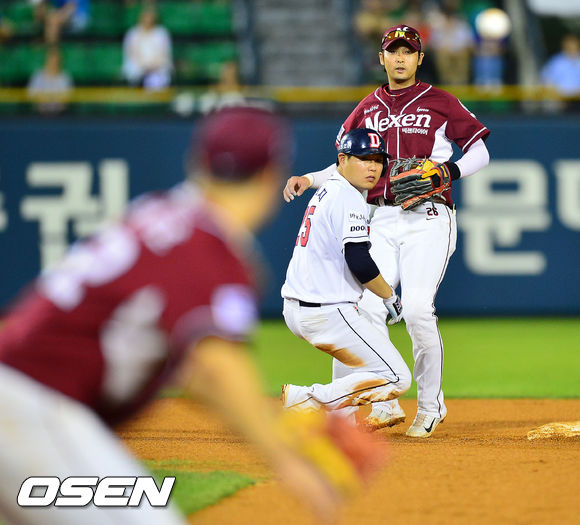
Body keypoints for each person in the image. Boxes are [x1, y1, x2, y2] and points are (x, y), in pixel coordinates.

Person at [0, 107, 379, 524]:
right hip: (33, 408)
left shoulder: (158, 211)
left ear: (197, 162)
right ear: (271, 176)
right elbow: (217, 367)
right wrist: (284, 458)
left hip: (27, 397)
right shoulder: (212, 250)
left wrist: (272, 429)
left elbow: (196, 372)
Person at [283, 25, 490, 438]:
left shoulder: (440, 101)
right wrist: (310, 178)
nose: (400, 57)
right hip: (378, 216)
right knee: (364, 307)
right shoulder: (367, 106)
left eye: (407, 51)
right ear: (381, 58)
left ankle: (430, 406)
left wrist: (447, 172)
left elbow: (480, 151)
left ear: (419, 59)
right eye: (393, 51)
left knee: (416, 309)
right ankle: (382, 402)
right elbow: (345, 161)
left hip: (428, 216)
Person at [281, 128, 411, 425]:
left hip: (299, 308)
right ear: (342, 160)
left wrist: (309, 179)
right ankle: (306, 398)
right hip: (327, 313)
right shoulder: (348, 196)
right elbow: (359, 260)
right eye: (364, 159)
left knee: (358, 360)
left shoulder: (331, 189)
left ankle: (341, 422)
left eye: (378, 160)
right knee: (397, 377)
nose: (373, 167)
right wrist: (389, 296)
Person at [122, 6, 173, 90]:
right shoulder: (133, 33)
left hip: (157, 68)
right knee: (133, 69)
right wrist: (144, 66)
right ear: (140, 18)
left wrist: (152, 66)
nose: (148, 20)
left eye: (150, 18)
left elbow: (164, 54)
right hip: (138, 67)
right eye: (145, 17)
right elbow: (131, 53)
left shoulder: (161, 33)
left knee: (158, 78)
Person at [27, 46, 73, 114]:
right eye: (51, 59)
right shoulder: (38, 75)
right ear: (46, 60)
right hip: (39, 114)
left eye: (56, 60)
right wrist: (40, 107)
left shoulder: (65, 76)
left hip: (60, 114)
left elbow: (68, 97)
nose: (53, 62)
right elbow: (31, 95)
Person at [540, 33, 580, 97]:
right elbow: (546, 80)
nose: (572, 48)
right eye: (569, 46)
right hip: (561, 98)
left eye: (574, 45)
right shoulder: (556, 62)